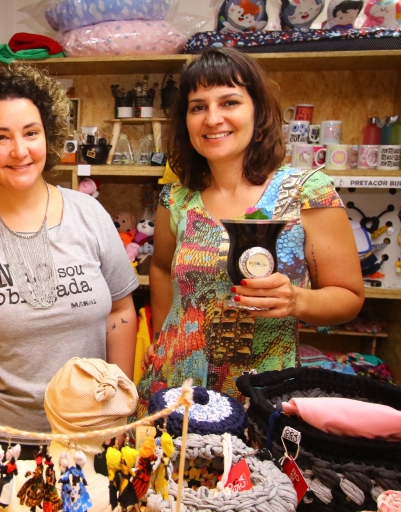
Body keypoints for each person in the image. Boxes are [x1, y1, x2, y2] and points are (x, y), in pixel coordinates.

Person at [0, 64, 139, 511]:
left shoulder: (89, 215)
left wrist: (118, 409)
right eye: (0, 136)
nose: (19, 150)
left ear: (48, 136)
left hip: (85, 437)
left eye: (30, 132)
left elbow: (120, 310)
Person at [136, 47, 364, 413]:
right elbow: (161, 268)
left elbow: (349, 296)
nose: (213, 119)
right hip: (175, 388)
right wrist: (163, 335)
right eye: (198, 107)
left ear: (258, 112)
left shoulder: (307, 191)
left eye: (229, 102)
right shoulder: (176, 199)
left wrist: (297, 301)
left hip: (261, 392)